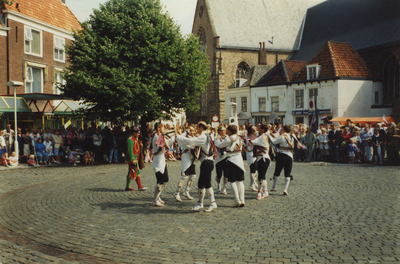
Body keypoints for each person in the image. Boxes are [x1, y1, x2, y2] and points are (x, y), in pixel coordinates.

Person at [176, 121, 217, 212]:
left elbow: (191, 141)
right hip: (207, 161)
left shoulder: (203, 137)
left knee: (207, 184)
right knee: (202, 184)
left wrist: (178, 137)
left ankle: (211, 203)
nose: (196, 129)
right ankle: (201, 203)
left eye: (197, 127)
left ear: (201, 128)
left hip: (206, 161)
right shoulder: (206, 135)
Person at [214, 125, 246, 207]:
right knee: (240, 181)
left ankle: (237, 200)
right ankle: (242, 200)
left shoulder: (229, 138)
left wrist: (216, 140)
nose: (226, 132)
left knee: (232, 181)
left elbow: (220, 145)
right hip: (239, 160)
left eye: (227, 130)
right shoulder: (239, 137)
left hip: (231, 160)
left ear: (230, 131)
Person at [152, 123, 175, 206]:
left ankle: (158, 197)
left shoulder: (161, 136)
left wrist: (176, 135)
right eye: (162, 128)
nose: (164, 129)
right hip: (158, 160)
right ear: (158, 128)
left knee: (165, 179)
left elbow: (167, 142)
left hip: (162, 159)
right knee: (160, 181)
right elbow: (160, 146)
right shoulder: (156, 137)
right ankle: (155, 199)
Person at [173, 125, 197, 202]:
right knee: (184, 176)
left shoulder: (195, 137)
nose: (194, 131)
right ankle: (177, 192)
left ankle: (187, 191)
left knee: (193, 176)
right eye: (192, 130)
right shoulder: (186, 139)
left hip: (192, 157)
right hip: (186, 157)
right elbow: (190, 146)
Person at [269, 126, 294, 195]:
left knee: (277, 171)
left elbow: (274, 142)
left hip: (282, 154)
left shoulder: (282, 137)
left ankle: (274, 187)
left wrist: (270, 136)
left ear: (284, 130)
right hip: (290, 156)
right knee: (287, 173)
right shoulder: (292, 136)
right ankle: (285, 189)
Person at [250, 124, 271, 200]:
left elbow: (253, 142)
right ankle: (265, 191)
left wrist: (247, 139)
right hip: (261, 158)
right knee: (262, 175)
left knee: (260, 176)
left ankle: (259, 192)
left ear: (262, 129)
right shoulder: (264, 135)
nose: (257, 128)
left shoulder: (262, 137)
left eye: (259, 128)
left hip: (263, 158)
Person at [214, 127, 228, 195]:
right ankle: (219, 186)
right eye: (222, 131)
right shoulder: (216, 138)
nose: (223, 132)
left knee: (226, 174)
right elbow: (216, 144)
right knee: (218, 174)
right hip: (218, 158)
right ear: (219, 131)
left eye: (224, 130)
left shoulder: (228, 138)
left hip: (226, 157)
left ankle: (224, 187)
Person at [243, 125, 258, 192]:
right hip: (251, 154)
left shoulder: (247, 137)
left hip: (251, 154)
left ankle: (253, 183)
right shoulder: (251, 138)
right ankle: (252, 184)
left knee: (254, 169)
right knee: (253, 169)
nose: (255, 132)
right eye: (254, 130)